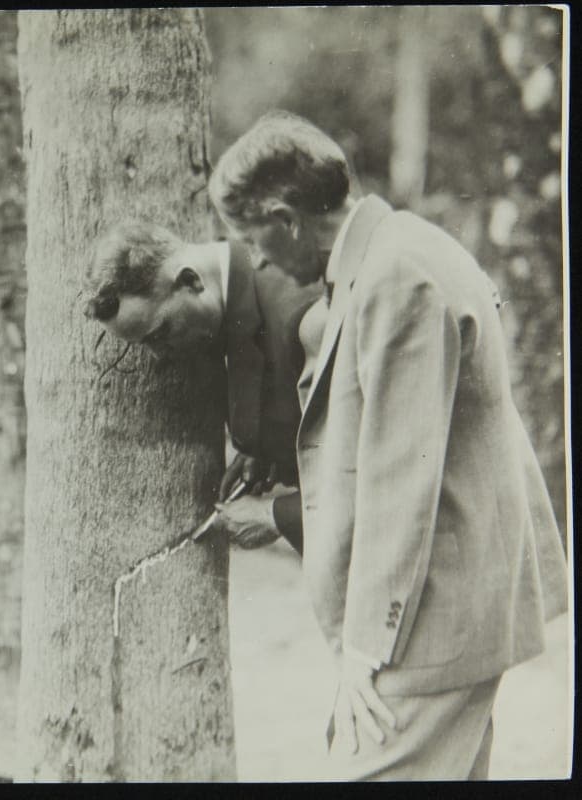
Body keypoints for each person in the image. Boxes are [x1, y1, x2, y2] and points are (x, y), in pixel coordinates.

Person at [209, 110, 569, 780]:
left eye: (253, 238)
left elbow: (402, 478)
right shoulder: (395, 250)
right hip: (450, 603)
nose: (256, 259)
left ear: (287, 219)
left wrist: (364, 651)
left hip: (433, 618)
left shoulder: (397, 275)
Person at [83, 221, 322, 554]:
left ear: (190, 280)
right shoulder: (234, 307)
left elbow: (381, 463)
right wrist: (268, 449)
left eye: (160, 333)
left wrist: (278, 517)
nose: (159, 356)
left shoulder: (300, 308)